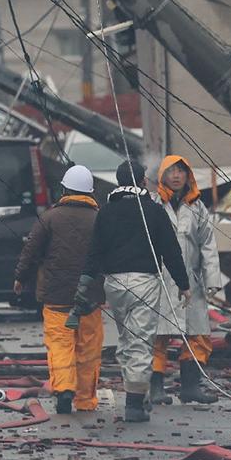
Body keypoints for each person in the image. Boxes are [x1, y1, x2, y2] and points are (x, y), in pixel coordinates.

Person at [78, 161, 190, 422]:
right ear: (142, 181)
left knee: (127, 339)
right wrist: (183, 284)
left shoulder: (105, 213)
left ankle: (136, 393)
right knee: (140, 342)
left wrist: (84, 283)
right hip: (144, 283)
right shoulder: (153, 211)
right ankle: (135, 404)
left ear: (118, 182)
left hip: (114, 285)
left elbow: (94, 252)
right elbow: (171, 251)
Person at [14, 164, 105, 414]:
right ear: (90, 192)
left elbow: (30, 251)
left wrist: (20, 278)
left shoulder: (50, 218)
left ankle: (64, 389)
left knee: (60, 344)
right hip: (90, 300)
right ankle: (85, 400)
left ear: (64, 189)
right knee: (88, 348)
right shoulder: (100, 219)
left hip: (56, 298)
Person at [150, 155, 224, 405]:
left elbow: (208, 245)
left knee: (198, 334)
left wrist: (212, 279)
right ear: (162, 175)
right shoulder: (153, 204)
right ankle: (156, 387)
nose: (176, 175)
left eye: (181, 171)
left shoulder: (198, 207)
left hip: (191, 282)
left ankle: (190, 387)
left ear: (188, 175)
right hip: (159, 279)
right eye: (171, 171)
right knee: (157, 335)